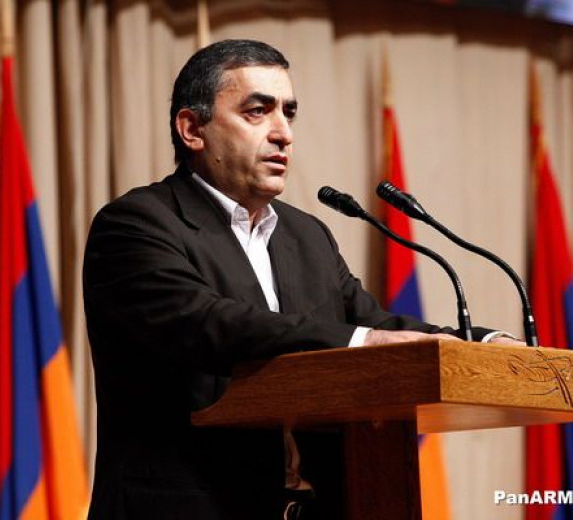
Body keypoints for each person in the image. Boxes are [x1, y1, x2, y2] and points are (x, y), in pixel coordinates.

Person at [83, 39, 515, 519]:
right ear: (192, 129)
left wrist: (478, 345)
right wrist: (361, 342)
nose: (283, 134)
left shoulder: (306, 234)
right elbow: (208, 323)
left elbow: (372, 323)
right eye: (257, 112)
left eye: (288, 113)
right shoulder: (136, 224)